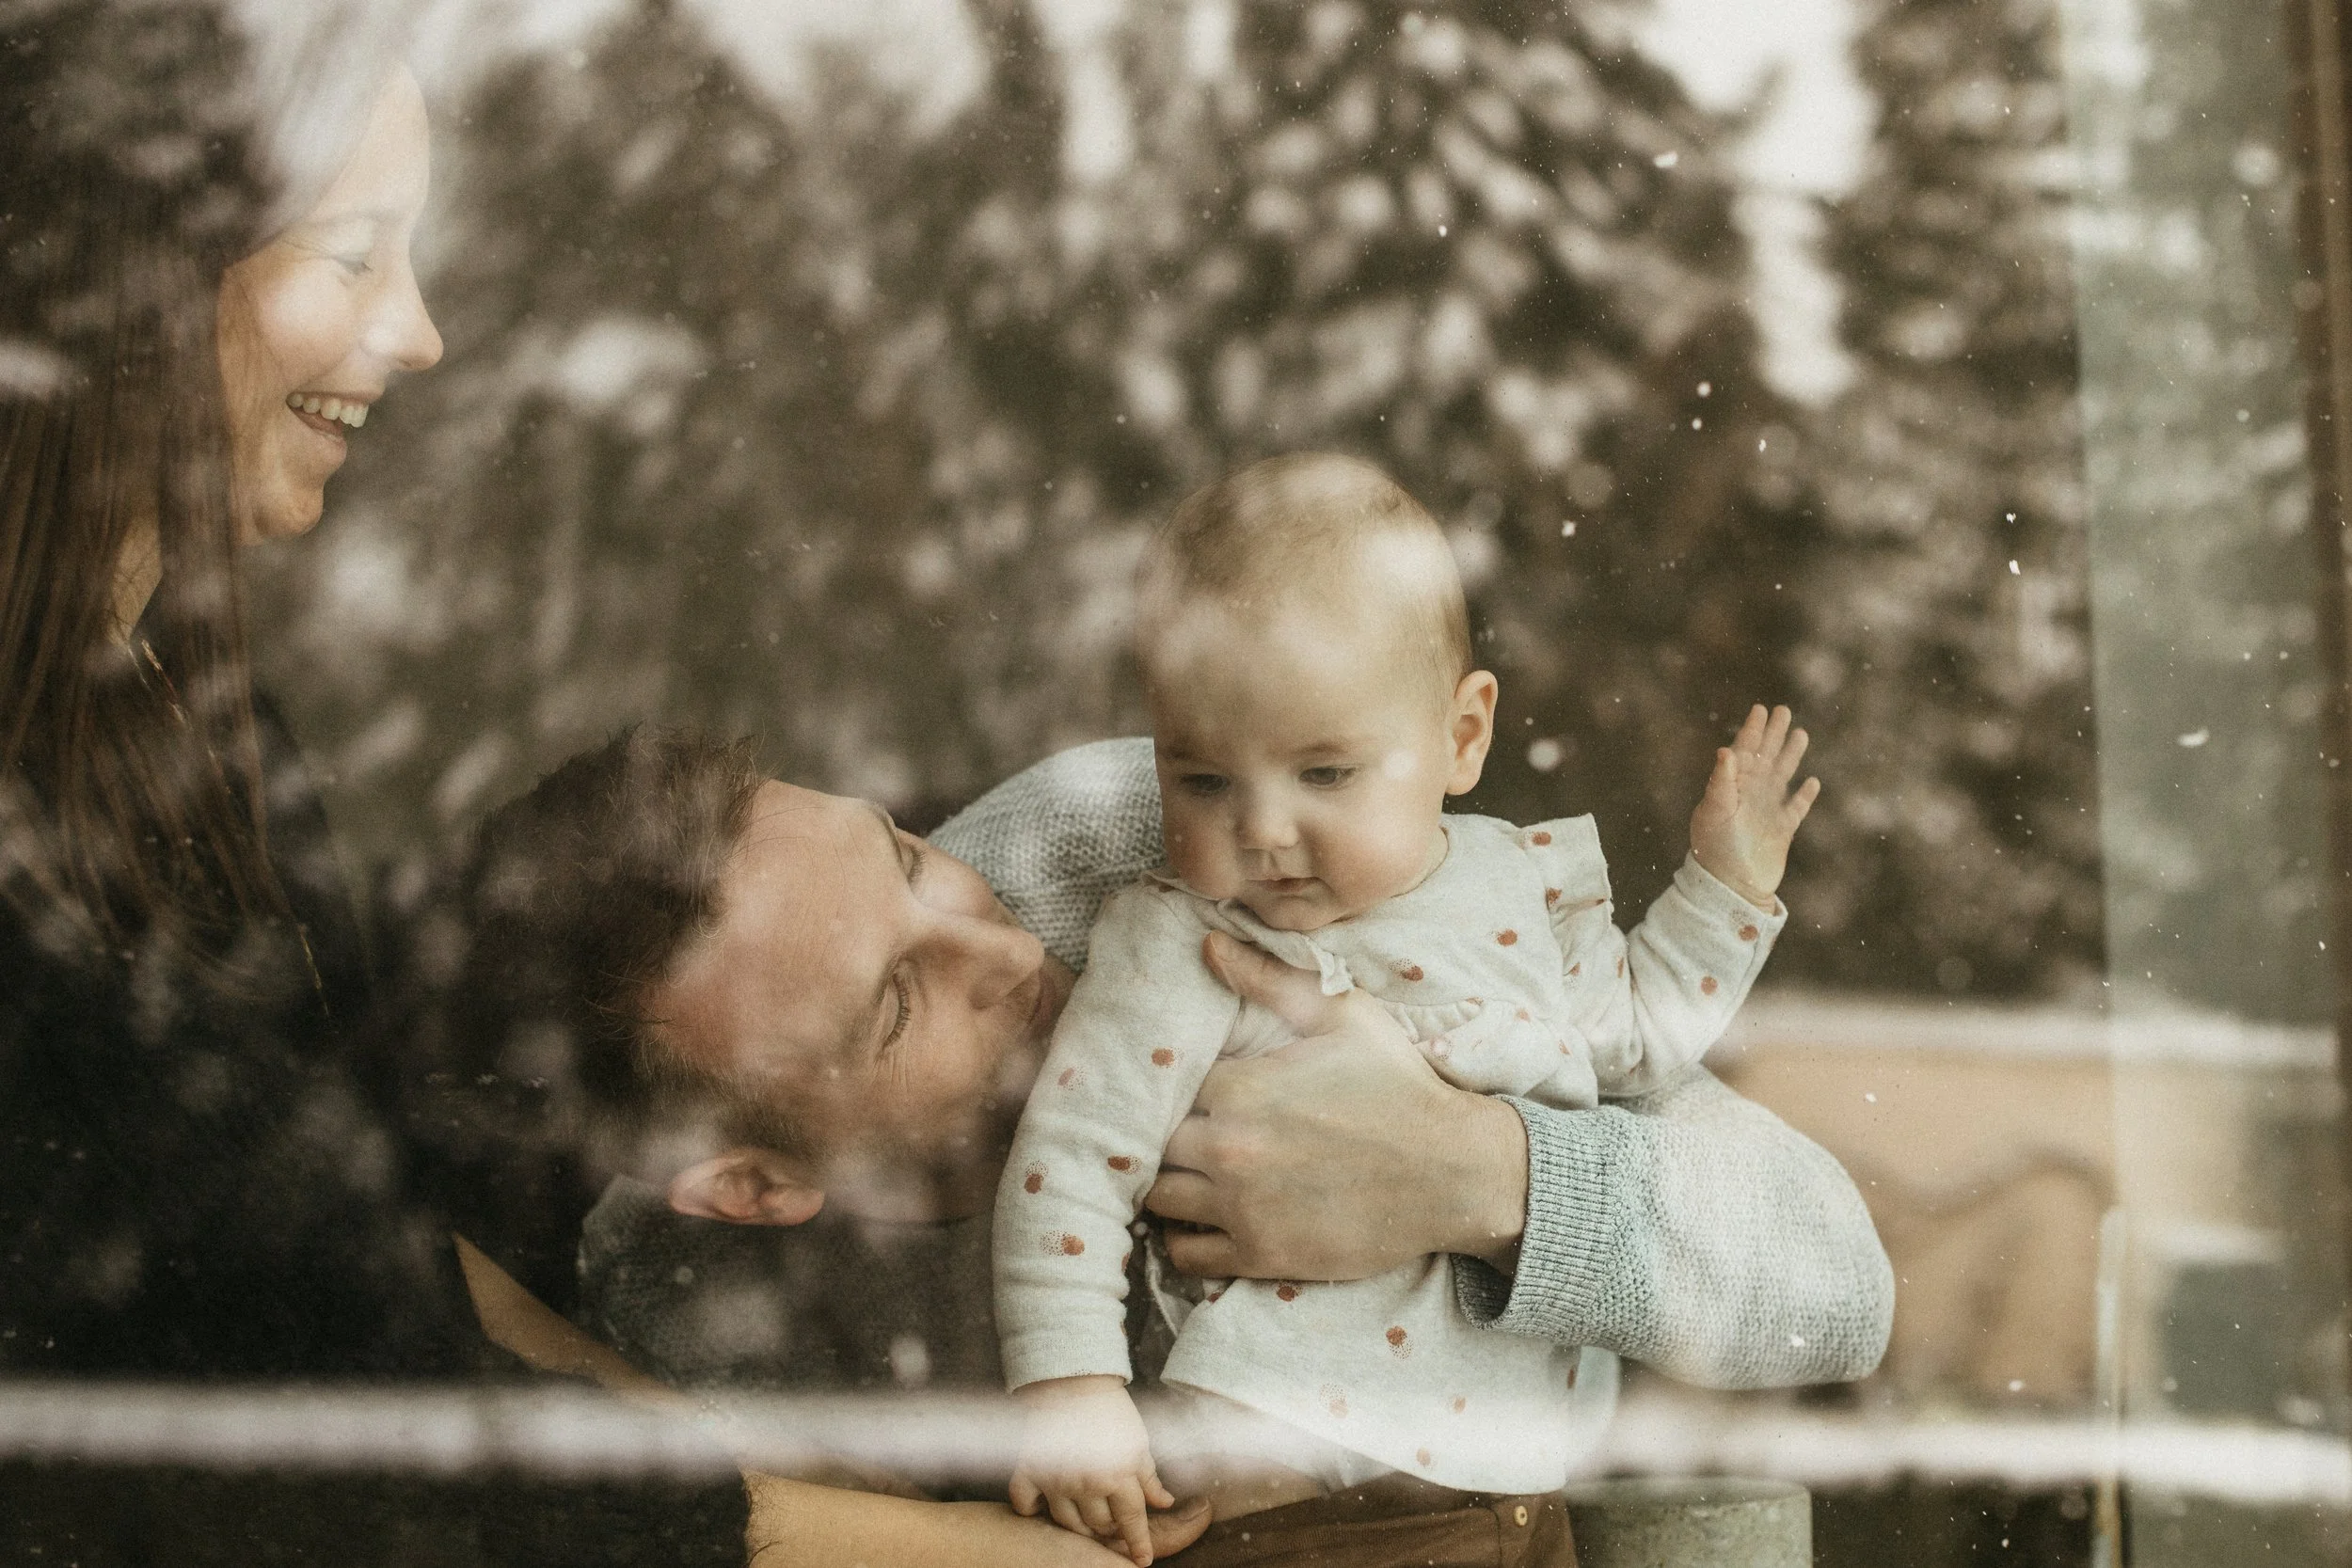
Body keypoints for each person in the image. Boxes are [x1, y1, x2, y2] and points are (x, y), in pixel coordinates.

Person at [442, 713, 1891, 1567]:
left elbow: (1832, 1283)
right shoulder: (701, 1351)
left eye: (906, 855)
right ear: (753, 1185)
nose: (990, 941)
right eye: (897, 998)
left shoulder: (1159, 858)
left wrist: (1474, 1174)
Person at [0, 8, 747, 1560]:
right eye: (352, 255)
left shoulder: (217, 741)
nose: (418, 334)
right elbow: (375, 1426)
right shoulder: (38, 880)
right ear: (135, 294)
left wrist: (736, 1464)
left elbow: (392, 1283)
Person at [993, 454, 1820, 1565]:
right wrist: (1069, 1388)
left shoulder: (1519, 890)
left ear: (1463, 735)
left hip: (1525, 1487)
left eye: (1324, 774)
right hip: (1298, 1492)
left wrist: (1727, 887)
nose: (1264, 829)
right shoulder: (1187, 938)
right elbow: (1071, 1157)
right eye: (1202, 781)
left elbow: (1638, 1039)